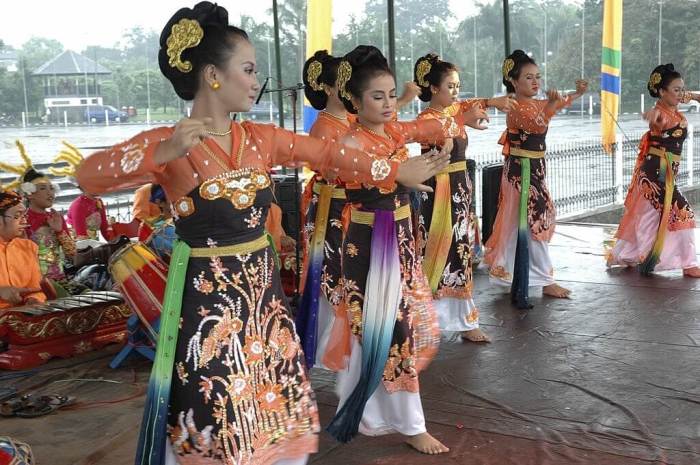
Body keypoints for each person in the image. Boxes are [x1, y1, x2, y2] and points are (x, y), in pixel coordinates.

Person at [74, 4, 449, 465]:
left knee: (273, 400)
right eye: (248, 70)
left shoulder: (260, 138)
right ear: (213, 75)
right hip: (207, 305)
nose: (256, 81)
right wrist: (161, 151)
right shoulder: (170, 143)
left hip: (265, 297)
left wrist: (393, 169)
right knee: (213, 402)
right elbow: (88, 176)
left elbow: (331, 155)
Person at [322, 45, 488, 455]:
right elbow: (351, 180)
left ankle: (360, 407)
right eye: (377, 96)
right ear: (355, 101)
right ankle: (407, 422)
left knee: (397, 327)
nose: (388, 103)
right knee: (388, 329)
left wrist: (447, 143)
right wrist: (401, 177)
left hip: (400, 238)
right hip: (369, 245)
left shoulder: (394, 131)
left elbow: (426, 128)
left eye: (391, 94)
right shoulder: (349, 141)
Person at [296, 50, 420, 369]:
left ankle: (347, 349)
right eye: (342, 82)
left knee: (356, 284)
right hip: (334, 207)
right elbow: (338, 167)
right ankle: (329, 347)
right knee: (335, 280)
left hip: (359, 206)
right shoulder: (327, 128)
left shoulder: (354, 124)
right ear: (330, 88)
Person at [413, 53, 516, 343]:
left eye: (458, 86)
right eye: (450, 86)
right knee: (436, 249)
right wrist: (461, 120)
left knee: (460, 250)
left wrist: (493, 103)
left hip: (459, 188)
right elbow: (443, 147)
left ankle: (463, 319)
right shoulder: (426, 119)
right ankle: (427, 317)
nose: (457, 92)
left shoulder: (452, 112)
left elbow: (474, 105)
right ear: (433, 88)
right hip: (438, 189)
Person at [484, 50, 587, 309]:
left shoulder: (538, 102)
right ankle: (543, 279)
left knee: (526, 224)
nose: (535, 81)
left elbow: (560, 102)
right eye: (528, 77)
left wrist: (578, 94)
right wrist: (551, 105)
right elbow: (537, 124)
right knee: (533, 222)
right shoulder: (514, 106)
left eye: (537, 77)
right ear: (514, 82)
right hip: (522, 172)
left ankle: (509, 274)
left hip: (535, 168)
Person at [607, 64, 700, 277]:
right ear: (661, 92)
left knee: (651, 217)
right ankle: (685, 263)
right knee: (679, 212)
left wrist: (692, 96)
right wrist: (653, 117)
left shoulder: (675, 112)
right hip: (654, 175)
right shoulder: (661, 113)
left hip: (664, 174)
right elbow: (658, 119)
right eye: (675, 89)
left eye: (681, 89)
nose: (680, 93)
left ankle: (637, 255)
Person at [0, 141, 76, 281]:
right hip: (35, 283)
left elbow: (72, 254)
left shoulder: (55, 217)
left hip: (61, 280)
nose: (50, 193)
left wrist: (59, 231)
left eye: (51, 188)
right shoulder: (21, 220)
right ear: (29, 193)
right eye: (42, 188)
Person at [52, 141, 113, 242]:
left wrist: (115, 243)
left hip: (93, 243)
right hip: (80, 246)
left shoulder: (98, 202)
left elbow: (105, 230)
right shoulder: (78, 206)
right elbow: (81, 236)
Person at [0, 189, 46, 309]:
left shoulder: (28, 247)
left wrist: (33, 300)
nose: (24, 221)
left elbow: (35, 288)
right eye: (17, 216)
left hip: (21, 317)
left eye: (24, 215)